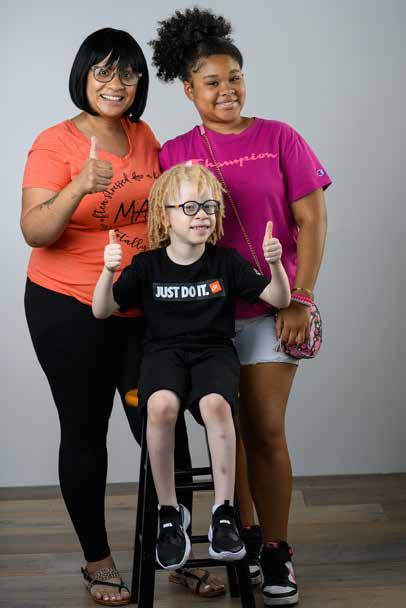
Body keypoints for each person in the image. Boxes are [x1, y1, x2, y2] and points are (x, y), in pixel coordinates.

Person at [149, 8, 332, 606]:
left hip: (273, 310)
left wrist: (301, 297)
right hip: (204, 319)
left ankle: (277, 550)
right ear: (189, 89)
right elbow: (162, 232)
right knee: (228, 431)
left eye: (235, 78)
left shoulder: (280, 137)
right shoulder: (175, 152)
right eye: (212, 81)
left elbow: (312, 220)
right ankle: (246, 538)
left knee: (264, 428)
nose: (226, 90)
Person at [93, 162, 291, 572]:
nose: (202, 215)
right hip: (163, 354)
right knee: (160, 406)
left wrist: (275, 264)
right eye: (189, 207)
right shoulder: (147, 265)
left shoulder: (226, 262)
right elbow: (103, 309)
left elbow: (278, 299)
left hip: (213, 353)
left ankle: (224, 512)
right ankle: (170, 513)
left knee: (216, 405)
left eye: (209, 206)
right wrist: (108, 272)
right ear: (164, 215)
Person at [21, 27, 159, 606]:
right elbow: (35, 230)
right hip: (67, 307)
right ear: (83, 75)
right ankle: (98, 561)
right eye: (103, 70)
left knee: (159, 424)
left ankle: (171, 554)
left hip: (138, 306)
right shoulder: (54, 143)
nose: (115, 83)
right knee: (85, 431)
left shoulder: (143, 135)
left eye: (127, 72)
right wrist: (79, 185)